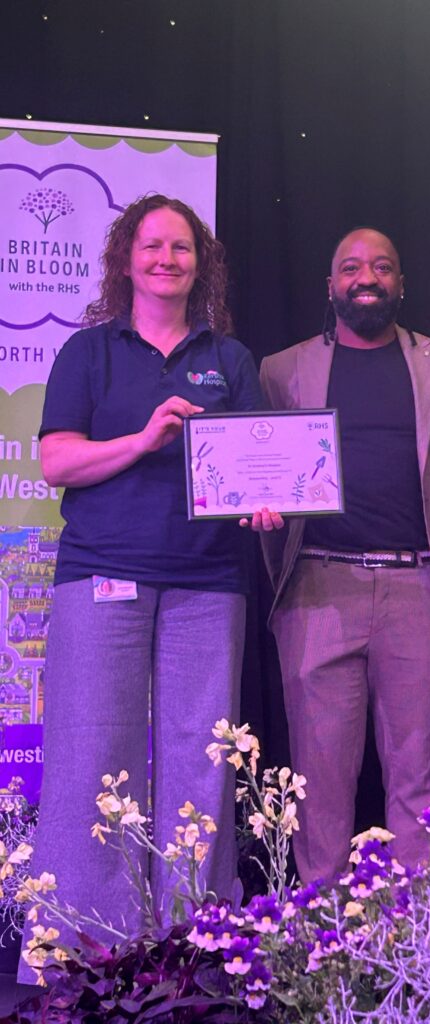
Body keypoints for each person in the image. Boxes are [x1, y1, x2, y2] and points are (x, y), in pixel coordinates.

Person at [20, 195, 263, 977]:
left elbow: (258, 463)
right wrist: (146, 437)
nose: (167, 259)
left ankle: (196, 953)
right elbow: (58, 462)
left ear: (201, 264)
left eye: (182, 248)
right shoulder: (87, 354)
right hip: (101, 578)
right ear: (126, 259)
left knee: (202, 765)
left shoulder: (228, 360)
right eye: (152, 246)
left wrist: (266, 502)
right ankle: (79, 953)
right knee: (91, 762)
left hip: (206, 583)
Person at [258, 228, 430, 881]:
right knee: (318, 781)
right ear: (330, 286)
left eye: (383, 266)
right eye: (351, 267)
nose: (367, 277)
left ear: (401, 284)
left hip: (420, 590)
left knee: (420, 776)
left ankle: (417, 949)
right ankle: (321, 953)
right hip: (317, 589)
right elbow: (264, 473)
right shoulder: (282, 370)